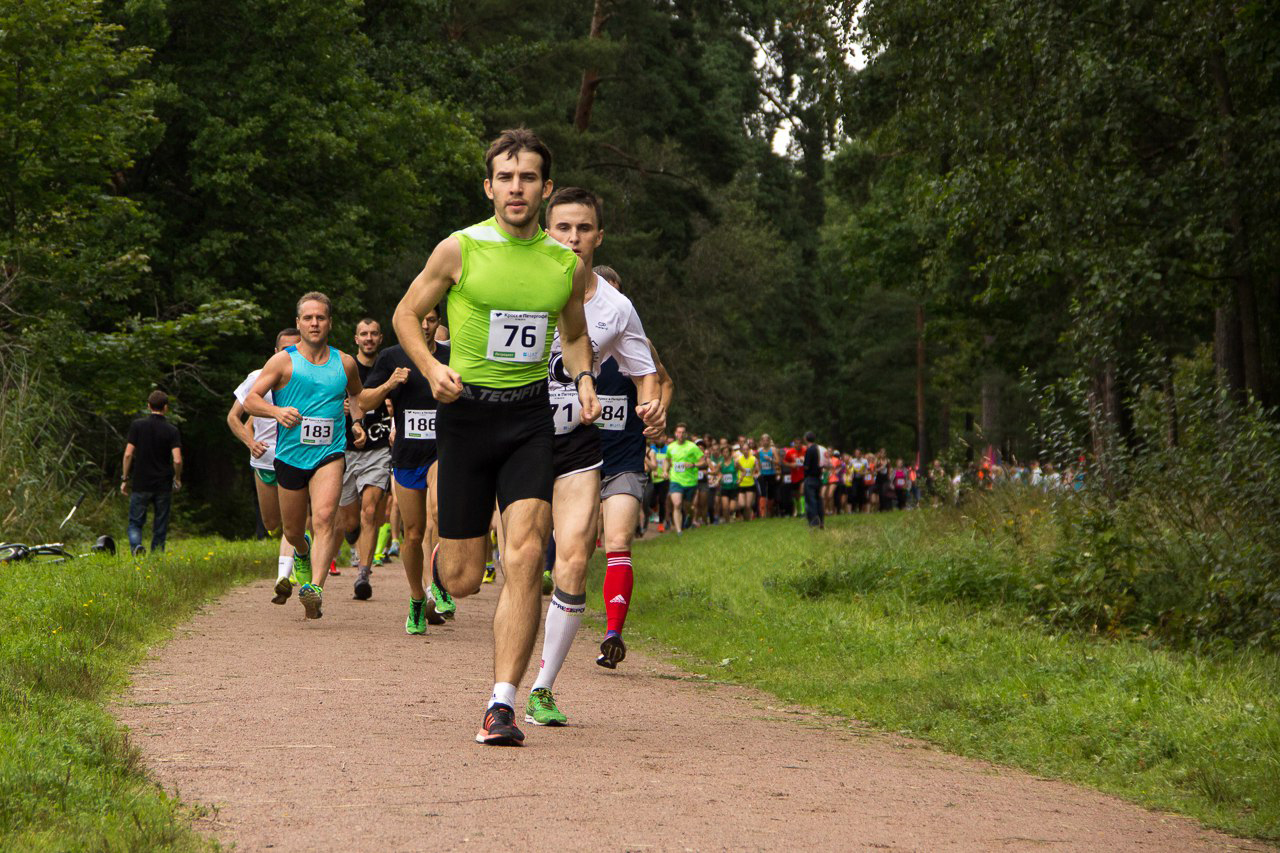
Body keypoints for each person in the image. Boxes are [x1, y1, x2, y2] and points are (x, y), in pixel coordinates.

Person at [392, 128, 598, 747]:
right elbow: (405, 314)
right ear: (489, 186)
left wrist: (584, 380)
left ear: (545, 188)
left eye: (528, 177)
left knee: (528, 553)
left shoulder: (564, 264)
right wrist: (431, 369)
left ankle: (501, 703)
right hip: (466, 417)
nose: (517, 188)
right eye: (506, 178)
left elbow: (575, 333)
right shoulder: (460, 250)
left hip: (530, 419)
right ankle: (445, 559)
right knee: (459, 578)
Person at [525, 189, 663, 727]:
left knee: (577, 555)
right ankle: (507, 672)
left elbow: (643, 367)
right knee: (506, 562)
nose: (573, 239)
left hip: (577, 442)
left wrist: (648, 402)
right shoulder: (519, 281)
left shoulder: (616, 306)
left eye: (584, 229)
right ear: (547, 229)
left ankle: (541, 687)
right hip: (516, 434)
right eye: (563, 228)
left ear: (598, 237)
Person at [243, 291, 365, 620]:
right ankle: (301, 550)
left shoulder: (345, 362)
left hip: (330, 453)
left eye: (320, 317)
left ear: (330, 323)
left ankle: (315, 588)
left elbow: (357, 395)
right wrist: (276, 411)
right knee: (293, 530)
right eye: (308, 318)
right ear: (299, 324)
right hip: (291, 457)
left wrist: (356, 422)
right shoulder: (283, 361)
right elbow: (250, 401)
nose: (314, 323)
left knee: (326, 518)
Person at [359, 308, 451, 633]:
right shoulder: (392, 356)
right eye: (420, 320)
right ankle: (416, 599)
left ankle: (438, 582)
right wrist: (389, 383)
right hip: (408, 455)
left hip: (443, 452)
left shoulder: (453, 355)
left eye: (432, 320)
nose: (426, 326)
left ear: (439, 323)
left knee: (440, 513)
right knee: (412, 534)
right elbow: (364, 401)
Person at [228, 328, 303, 603]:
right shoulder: (256, 378)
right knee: (273, 523)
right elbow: (234, 418)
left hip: (297, 458)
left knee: (291, 525)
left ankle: (284, 575)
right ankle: (301, 548)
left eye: (296, 348)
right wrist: (250, 441)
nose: (290, 354)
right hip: (264, 459)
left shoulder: (311, 377)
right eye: (285, 349)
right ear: (275, 353)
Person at [338, 317, 394, 600]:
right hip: (346, 449)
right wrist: (343, 406)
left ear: (380, 338)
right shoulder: (346, 367)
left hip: (378, 448)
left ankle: (364, 573)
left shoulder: (388, 368)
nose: (369, 338)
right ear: (356, 339)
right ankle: (352, 534)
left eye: (374, 333)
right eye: (364, 334)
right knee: (350, 521)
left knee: (371, 510)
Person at [121, 390, 183, 555]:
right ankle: (156, 556)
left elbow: (128, 454)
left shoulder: (137, 426)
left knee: (135, 522)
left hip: (141, 482)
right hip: (163, 483)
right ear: (165, 408)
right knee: (160, 523)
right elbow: (177, 459)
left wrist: (125, 478)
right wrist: (177, 479)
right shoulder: (172, 430)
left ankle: (136, 548)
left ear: (148, 406)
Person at [664, 423, 704, 536]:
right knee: (677, 504)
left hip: (690, 481)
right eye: (679, 432)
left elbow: (703, 461)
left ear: (686, 434)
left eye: (683, 432)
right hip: (676, 480)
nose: (680, 434)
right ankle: (679, 531)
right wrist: (665, 471)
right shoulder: (671, 447)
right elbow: (667, 460)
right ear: (675, 434)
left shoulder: (692, 447)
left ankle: (690, 515)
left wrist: (693, 464)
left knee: (688, 506)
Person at [802, 431, 824, 529]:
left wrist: (802, 465)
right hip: (818, 478)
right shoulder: (819, 449)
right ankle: (821, 520)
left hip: (810, 478)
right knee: (818, 499)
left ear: (806, 439)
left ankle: (814, 522)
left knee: (811, 501)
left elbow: (806, 466)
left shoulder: (810, 450)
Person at [756, 434, 779, 518]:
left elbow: (778, 461)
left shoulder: (773, 450)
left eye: (767, 440)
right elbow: (757, 461)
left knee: (771, 493)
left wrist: (770, 459)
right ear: (761, 441)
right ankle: (763, 513)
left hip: (771, 474)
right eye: (763, 440)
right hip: (763, 474)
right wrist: (758, 470)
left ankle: (770, 511)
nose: (765, 442)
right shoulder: (759, 451)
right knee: (762, 493)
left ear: (769, 441)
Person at [736, 442, 758, 521]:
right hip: (741, 484)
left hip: (750, 484)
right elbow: (735, 470)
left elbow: (757, 470)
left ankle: (747, 520)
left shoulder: (753, 459)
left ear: (749, 450)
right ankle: (744, 517)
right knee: (742, 504)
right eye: (744, 449)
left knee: (748, 505)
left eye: (747, 449)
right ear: (741, 450)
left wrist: (756, 474)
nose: (745, 451)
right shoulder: (738, 459)